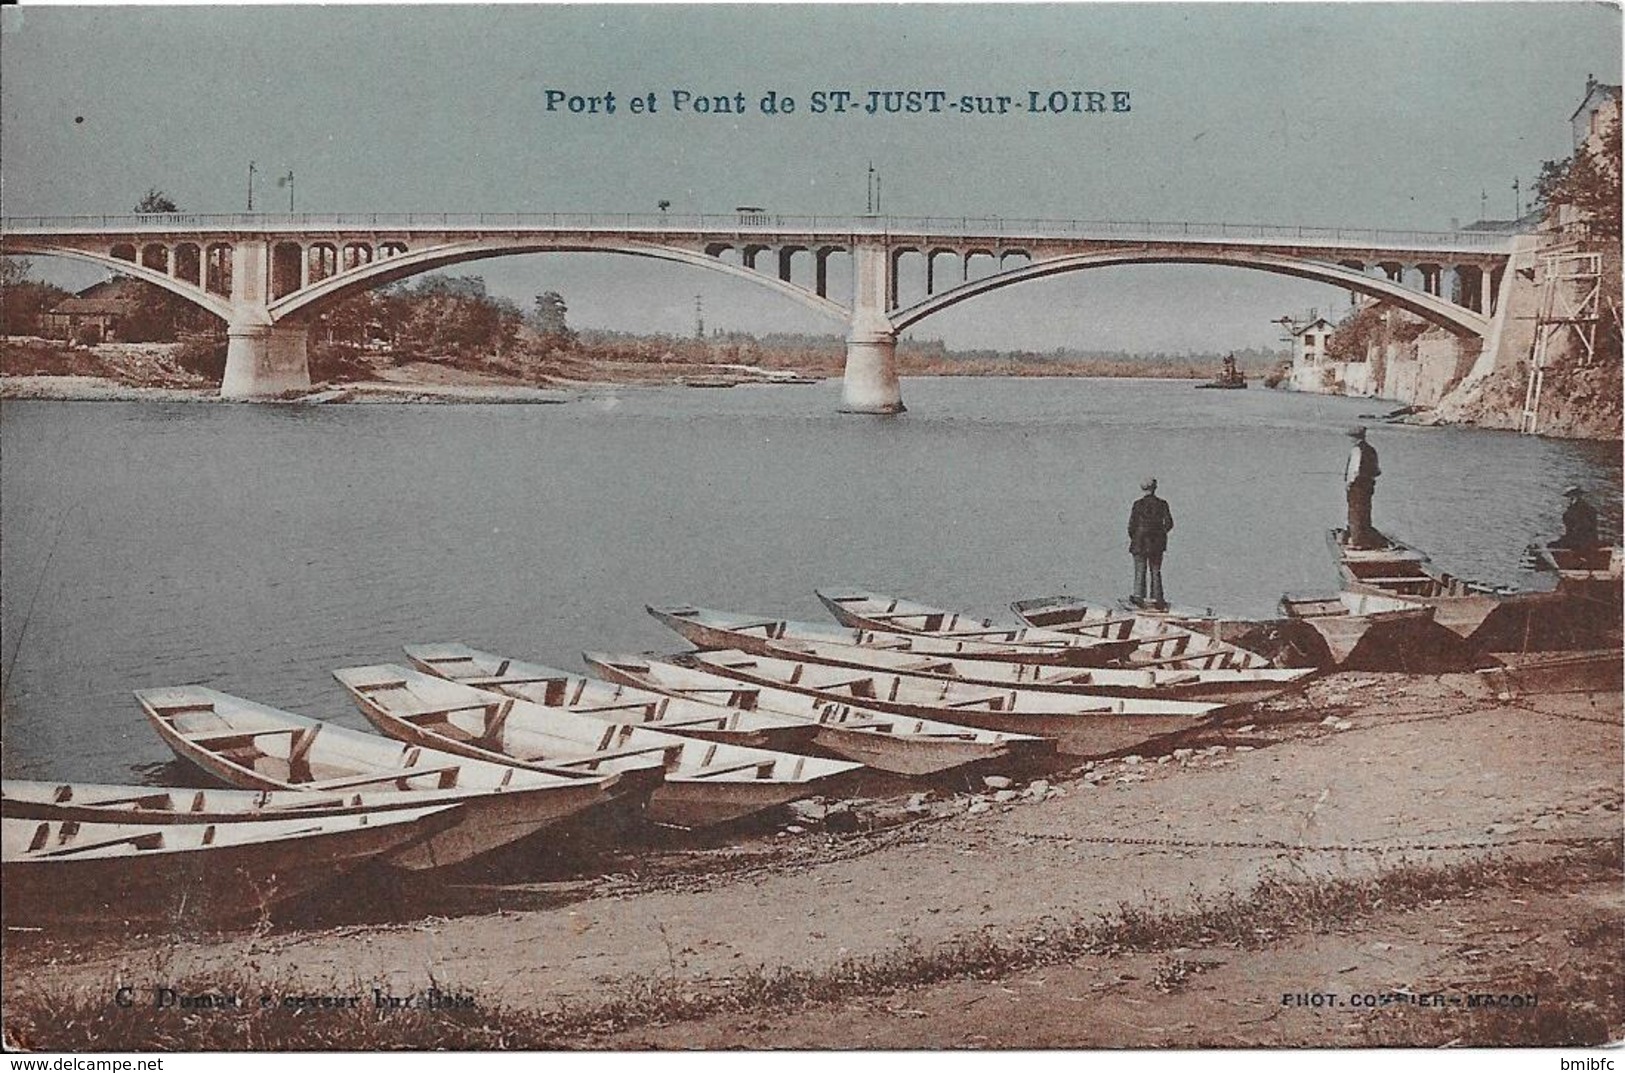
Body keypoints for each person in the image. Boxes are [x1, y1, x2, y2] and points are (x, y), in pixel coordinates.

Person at [1128, 477, 1174, 609]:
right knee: (1155, 570)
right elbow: (1169, 523)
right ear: (1155, 488)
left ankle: (1138, 597)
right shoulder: (1163, 504)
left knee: (1140, 570)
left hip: (1139, 541)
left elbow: (1131, 526)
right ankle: (1157, 598)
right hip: (1156, 543)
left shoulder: (1137, 504)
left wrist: (1136, 536)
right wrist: (1160, 534)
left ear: (1143, 488)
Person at [1343, 426, 1383, 549]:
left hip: (1357, 487)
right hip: (1368, 486)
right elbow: (1377, 471)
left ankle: (1357, 542)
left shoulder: (1356, 450)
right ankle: (1365, 539)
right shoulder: (1372, 450)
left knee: (1355, 513)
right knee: (1365, 512)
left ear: (1354, 437)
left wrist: (1349, 484)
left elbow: (1354, 471)